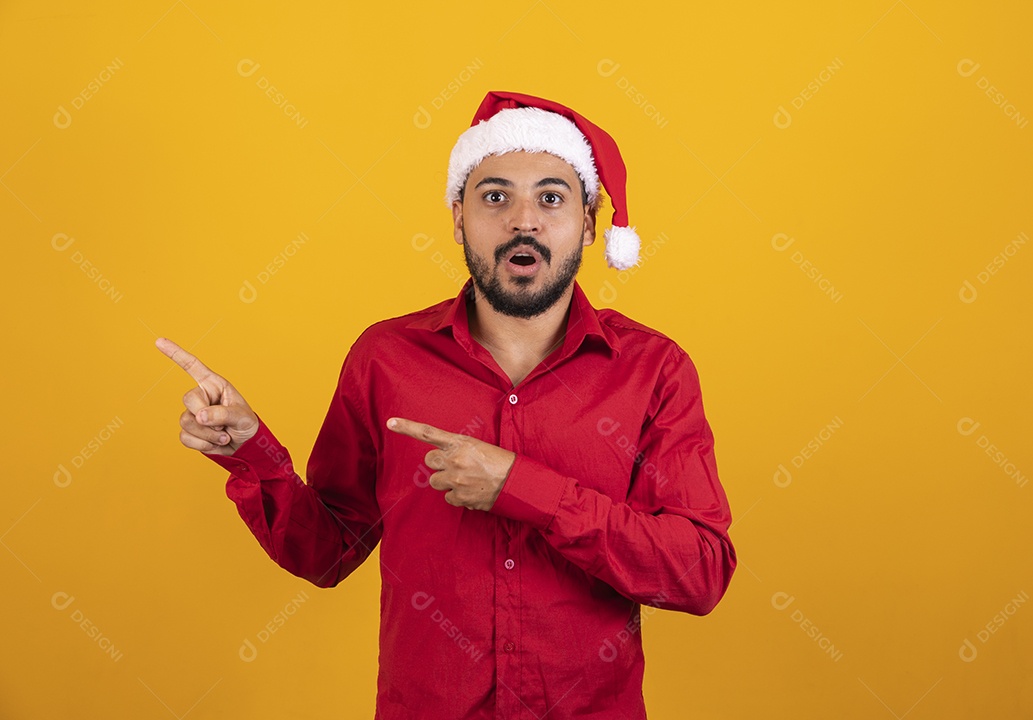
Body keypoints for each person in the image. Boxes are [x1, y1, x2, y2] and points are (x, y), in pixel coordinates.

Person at [157, 90, 736, 719]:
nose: (523, 221)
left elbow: (699, 572)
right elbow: (326, 552)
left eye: (551, 197)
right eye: (494, 197)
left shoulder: (653, 370)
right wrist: (251, 454)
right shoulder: (386, 359)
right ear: (458, 217)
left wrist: (523, 488)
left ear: (591, 222)